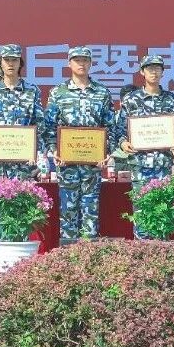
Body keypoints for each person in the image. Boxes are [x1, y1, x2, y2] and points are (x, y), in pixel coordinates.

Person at [43, 47, 115, 242]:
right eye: (77, 60)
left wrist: (107, 152)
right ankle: (68, 254)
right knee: (68, 210)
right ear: (69, 63)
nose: (81, 63)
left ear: (91, 63)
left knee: (91, 210)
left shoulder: (102, 92)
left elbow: (110, 126)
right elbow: (49, 126)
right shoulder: (58, 92)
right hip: (67, 163)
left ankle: (88, 254)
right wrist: (54, 150)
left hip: (93, 164)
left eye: (85, 60)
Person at [115, 55, 174, 238]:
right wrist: (123, 143)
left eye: (158, 68)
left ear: (163, 72)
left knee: (163, 213)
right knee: (142, 213)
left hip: (164, 165)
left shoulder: (171, 99)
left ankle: (161, 253)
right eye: (150, 68)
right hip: (140, 166)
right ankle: (142, 253)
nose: (154, 72)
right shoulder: (131, 99)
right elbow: (119, 130)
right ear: (142, 72)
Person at [0, 44, 44, 181]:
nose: (11, 64)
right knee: (0, 195)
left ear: (20, 63)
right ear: (0, 63)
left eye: (14, 60)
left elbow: (39, 124)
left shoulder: (32, 91)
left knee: (25, 195)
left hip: (26, 165)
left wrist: (38, 151)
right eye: (7, 60)